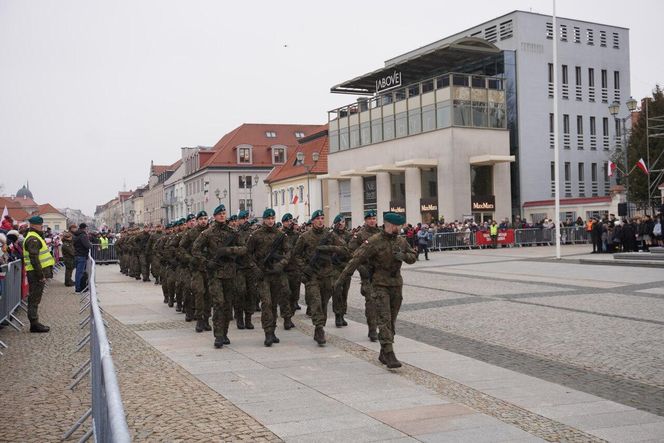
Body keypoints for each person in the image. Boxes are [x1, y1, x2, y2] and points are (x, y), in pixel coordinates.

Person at [335, 212, 417, 368]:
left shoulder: (401, 241)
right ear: (390, 225)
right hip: (379, 284)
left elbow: (413, 256)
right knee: (384, 319)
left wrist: (404, 256)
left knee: (391, 320)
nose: (400, 228)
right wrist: (341, 279)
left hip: (396, 285)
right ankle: (390, 353)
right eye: (398, 226)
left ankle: (382, 352)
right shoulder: (374, 241)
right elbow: (356, 258)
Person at [192, 204, 245, 349]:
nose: (222, 216)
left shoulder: (233, 232)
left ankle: (225, 333)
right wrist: (206, 262)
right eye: (219, 214)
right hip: (214, 273)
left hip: (229, 272)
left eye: (224, 213)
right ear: (214, 216)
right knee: (218, 303)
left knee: (228, 304)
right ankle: (218, 335)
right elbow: (195, 249)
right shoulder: (207, 233)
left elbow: (244, 249)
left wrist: (228, 250)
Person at [293, 210, 346, 346]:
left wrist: (329, 248)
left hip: (327, 275)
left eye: (322, 218)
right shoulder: (304, 236)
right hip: (313, 276)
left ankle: (320, 326)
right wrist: (305, 269)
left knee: (323, 303)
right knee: (316, 302)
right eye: (318, 218)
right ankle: (319, 328)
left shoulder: (330, 235)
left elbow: (344, 249)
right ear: (313, 221)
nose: (320, 221)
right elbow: (296, 255)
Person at [246, 208, 291, 347]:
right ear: (264, 219)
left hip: (276, 274)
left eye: (273, 218)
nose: (271, 221)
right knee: (266, 303)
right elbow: (247, 254)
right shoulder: (256, 235)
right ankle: (267, 332)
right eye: (268, 218)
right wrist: (255, 269)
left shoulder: (281, 235)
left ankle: (273, 330)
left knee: (274, 303)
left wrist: (281, 264)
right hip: (263, 274)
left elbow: (288, 252)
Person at [348, 210, 381, 342]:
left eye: (374, 218)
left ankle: (382, 328)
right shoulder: (360, 235)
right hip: (367, 273)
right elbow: (351, 251)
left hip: (381, 273)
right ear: (366, 220)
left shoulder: (381, 233)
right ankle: (372, 329)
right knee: (371, 302)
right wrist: (360, 267)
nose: (372, 220)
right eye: (370, 219)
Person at [23, 216, 55, 332]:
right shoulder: (33, 238)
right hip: (35, 273)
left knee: (36, 298)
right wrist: (40, 275)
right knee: (34, 299)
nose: (42, 227)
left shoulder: (35, 236)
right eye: (40, 225)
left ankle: (35, 322)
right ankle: (34, 323)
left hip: (36, 272)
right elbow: (34, 258)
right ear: (33, 225)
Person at [234, 210, 257, 330]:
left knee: (251, 293)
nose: (245, 220)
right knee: (240, 292)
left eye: (246, 218)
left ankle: (248, 318)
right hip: (239, 268)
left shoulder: (253, 233)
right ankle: (239, 318)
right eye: (242, 218)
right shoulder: (235, 233)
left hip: (250, 267)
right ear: (238, 220)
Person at [73, 223, 92, 292]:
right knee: (80, 273)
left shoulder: (76, 235)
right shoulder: (83, 235)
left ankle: (79, 287)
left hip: (77, 255)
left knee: (78, 272)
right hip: (81, 255)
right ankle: (78, 288)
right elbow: (87, 245)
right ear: (84, 228)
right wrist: (90, 244)